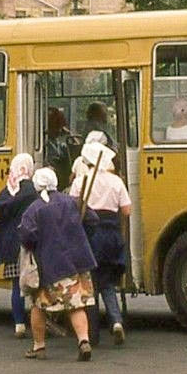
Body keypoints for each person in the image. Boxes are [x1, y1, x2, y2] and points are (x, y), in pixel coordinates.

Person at [17, 166, 98, 361]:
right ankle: (83, 340)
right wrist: (80, 235)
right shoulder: (72, 201)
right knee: (76, 305)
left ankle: (39, 346)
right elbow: (93, 220)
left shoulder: (34, 209)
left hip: (50, 266)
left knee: (39, 305)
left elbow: (27, 236)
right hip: (77, 263)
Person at [72, 140, 132, 345]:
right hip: (112, 235)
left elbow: (73, 207)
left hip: (90, 235)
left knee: (90, 286)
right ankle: (116, 321)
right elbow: (127, 210)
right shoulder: (116, 182)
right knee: (107, 283)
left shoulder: (82, 181)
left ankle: (92, 333)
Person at [0, 153, 38, 337]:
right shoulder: (33, 190)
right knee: (36, 285)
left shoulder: (5, 192)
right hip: (31, 244)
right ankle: (39, 322)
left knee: (16, 287)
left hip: (11, 247)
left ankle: (19, 323)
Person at [43, 106, 76, 181]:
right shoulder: (45, 142)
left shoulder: (57, 142)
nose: (60, 131)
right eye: (58, 127)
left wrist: (70, 134)